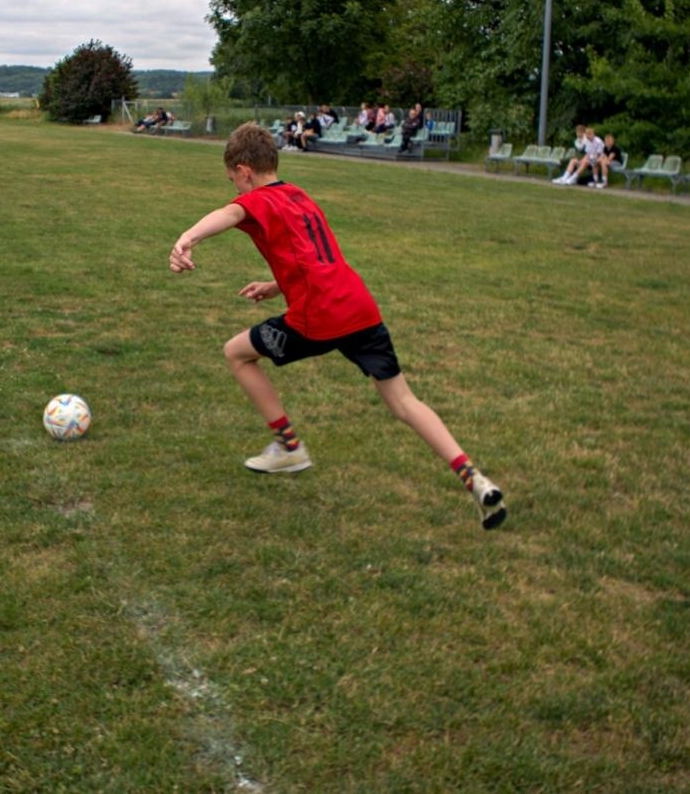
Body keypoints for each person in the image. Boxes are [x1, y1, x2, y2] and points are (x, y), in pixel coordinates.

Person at [167, 123, 507, 529]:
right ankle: (475, 479)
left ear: (243, 171)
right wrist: (278, 286)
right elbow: (317, 257)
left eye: (234, 181)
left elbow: (230, 213)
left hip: (318, 316)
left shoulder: (258, 199)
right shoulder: (299, 196)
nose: (236, 190)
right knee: (403, 402)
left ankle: (289, 447)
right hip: (358, 306)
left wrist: (187, 238)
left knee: (236, 353)